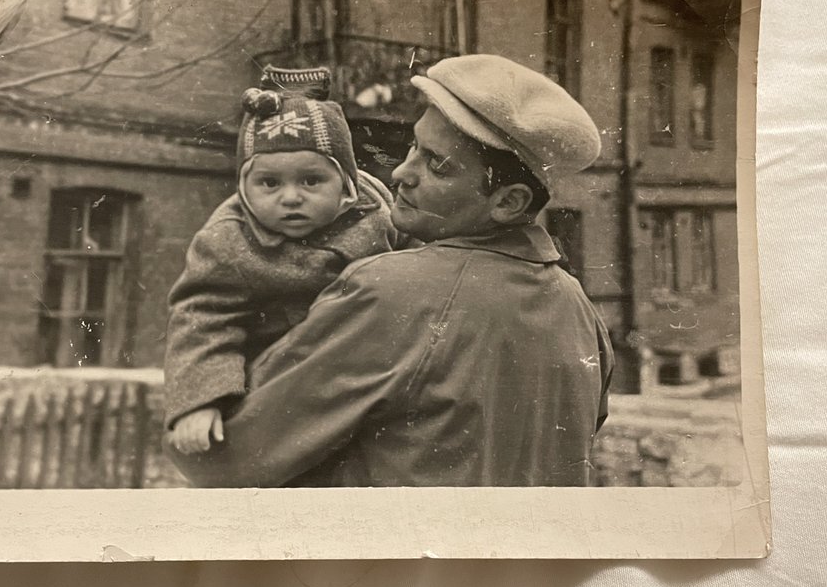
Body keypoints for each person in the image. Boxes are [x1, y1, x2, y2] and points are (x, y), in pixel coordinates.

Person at [168, 54, 614, 488]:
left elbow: (225, 461)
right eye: (413, 147)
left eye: (436, 165)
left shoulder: (388, 293)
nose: (401, 172)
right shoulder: (580, 312)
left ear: (508, 202)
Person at [164, 64, 399, 453]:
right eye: (269, 183)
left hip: (370, 369)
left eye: (311, 181)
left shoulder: (377, 213)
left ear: (346, 182)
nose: (290, 197)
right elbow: (201, 318)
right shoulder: (228, 239)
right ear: (244, 185)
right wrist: (200, 400)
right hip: (280, 383)